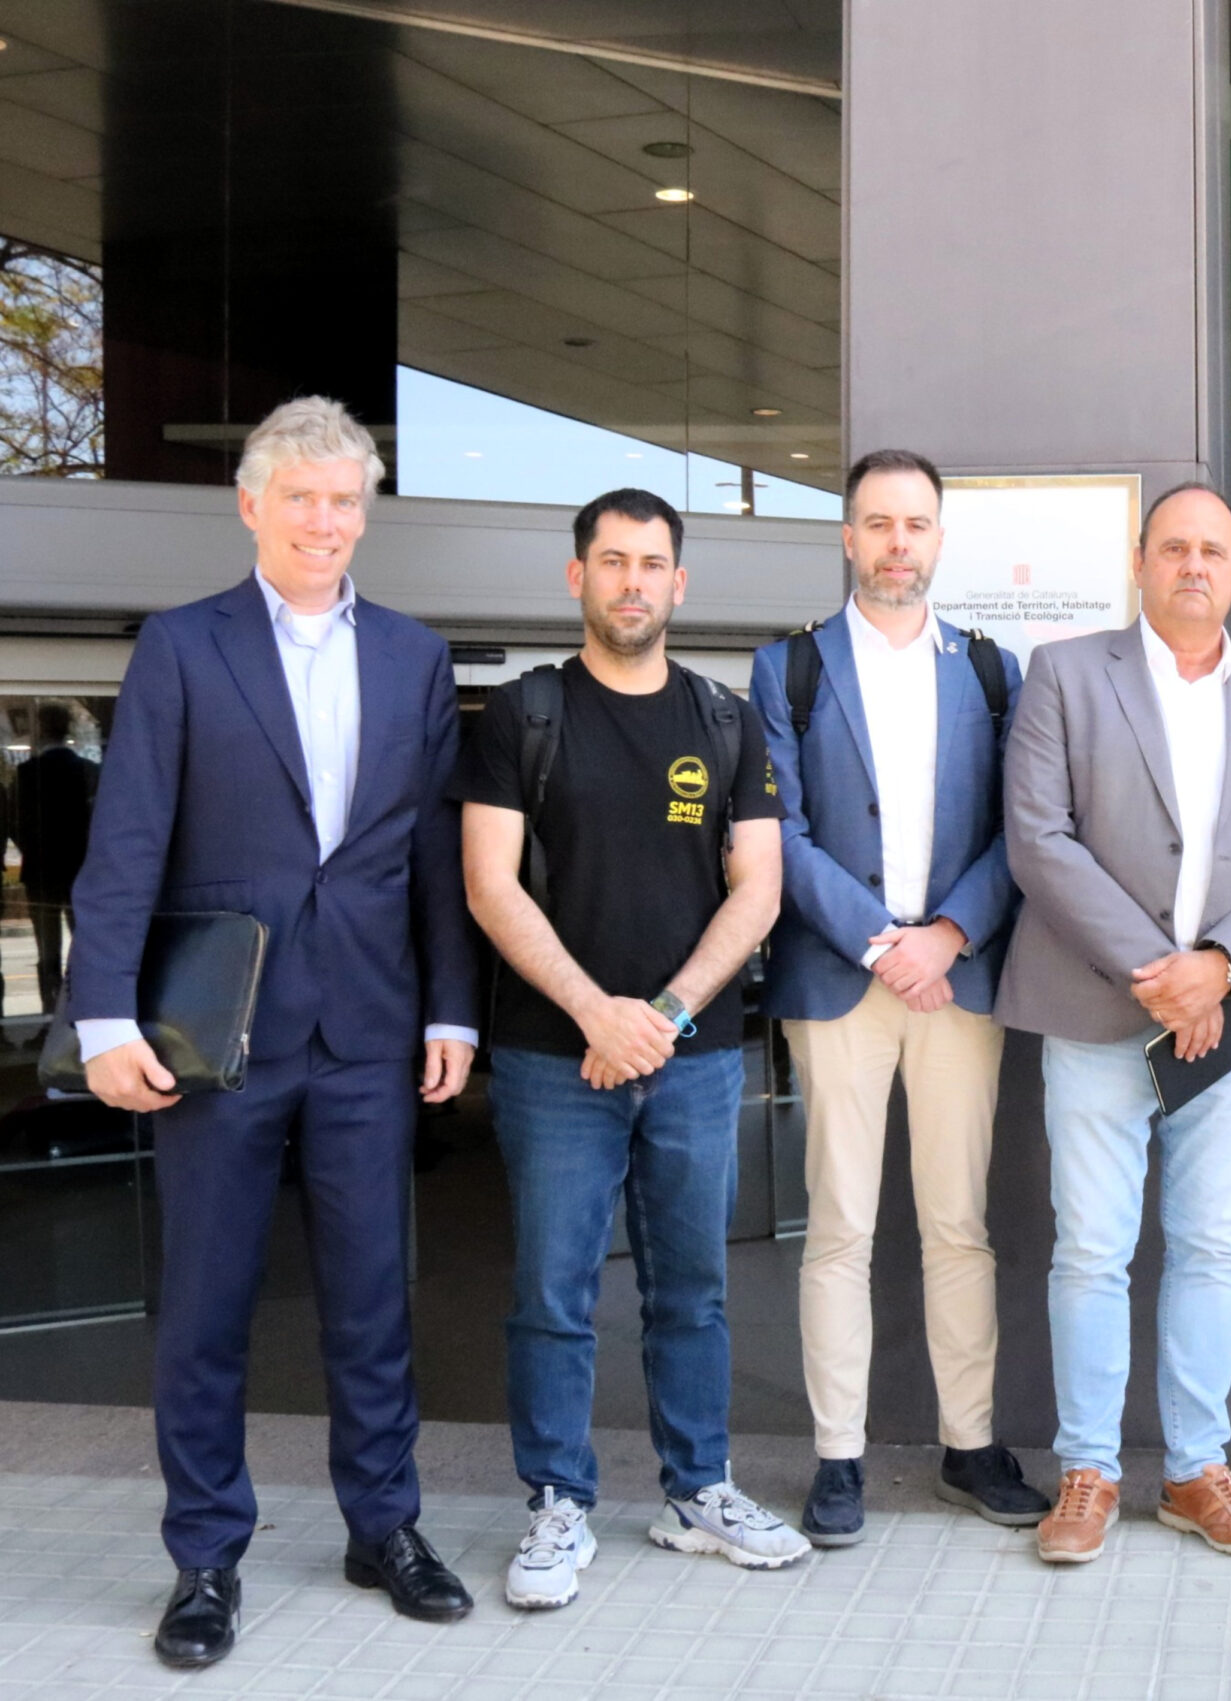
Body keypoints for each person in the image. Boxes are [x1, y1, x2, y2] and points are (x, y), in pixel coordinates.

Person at [67, 397, 480, 1667]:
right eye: (300, 496)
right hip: (219, 1037)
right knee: (205, 1307)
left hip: (368, 1029)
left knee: (372, 1303)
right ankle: (205, 1557)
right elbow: (127, 839)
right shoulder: (182, 647)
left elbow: (433, 857)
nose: (324, 520)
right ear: (252, 506)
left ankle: (384, 1528)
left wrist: (451, 1004)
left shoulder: (414, 656)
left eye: (344, 500)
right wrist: (102, 1016)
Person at [458, 488, 805, 1610]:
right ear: (578, 577)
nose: (632, 582)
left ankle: (697, 1490)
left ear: (679, 584)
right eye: (612, 561)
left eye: (651, 564)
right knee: (552, 1292)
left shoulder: (725, 719)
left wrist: (662, 1014)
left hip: (693, 1062)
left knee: (693, 1290)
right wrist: (596, 1015)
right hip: (552, 1061)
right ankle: (558, 1503)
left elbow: (758, 888)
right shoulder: (522, 715)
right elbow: (489, 884)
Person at [997, 482, 1231, 1564]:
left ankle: (1195, 1471)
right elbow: (1038, 838)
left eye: (1213, 551)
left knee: (1208, 1246)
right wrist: (1162, 976)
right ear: (1139, 563)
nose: (1194, 565)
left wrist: (1218, 970)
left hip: (1226, 1019)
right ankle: (1088, 1470)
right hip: (1098, 1007)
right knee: (1092, 1249)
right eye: (1175, 547)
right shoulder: (1064, 674)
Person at [748, 448, 1045, 1546]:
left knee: (958, 1224)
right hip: (841, 977)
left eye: (915, 524)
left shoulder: (991, 671)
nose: (896, 543)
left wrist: (948, 935)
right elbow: (779, 833)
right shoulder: (788, 670)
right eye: (877, 523)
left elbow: (1021, 831)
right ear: (848, 537)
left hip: (956, 979)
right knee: (839, 1226)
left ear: (939, 540)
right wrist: (884, 944)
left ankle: (970, 1445)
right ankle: (838, 1458)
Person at [12, 700, 96, 1014]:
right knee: (85, 947)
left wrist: (31, 851)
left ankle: (51, 1014)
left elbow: (18, 823)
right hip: (79, 870)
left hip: (41, 872)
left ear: (41, 728)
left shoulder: (27, 773)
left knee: (47, 951)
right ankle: (84, 1012)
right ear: (68, 729)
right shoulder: (88, 771)